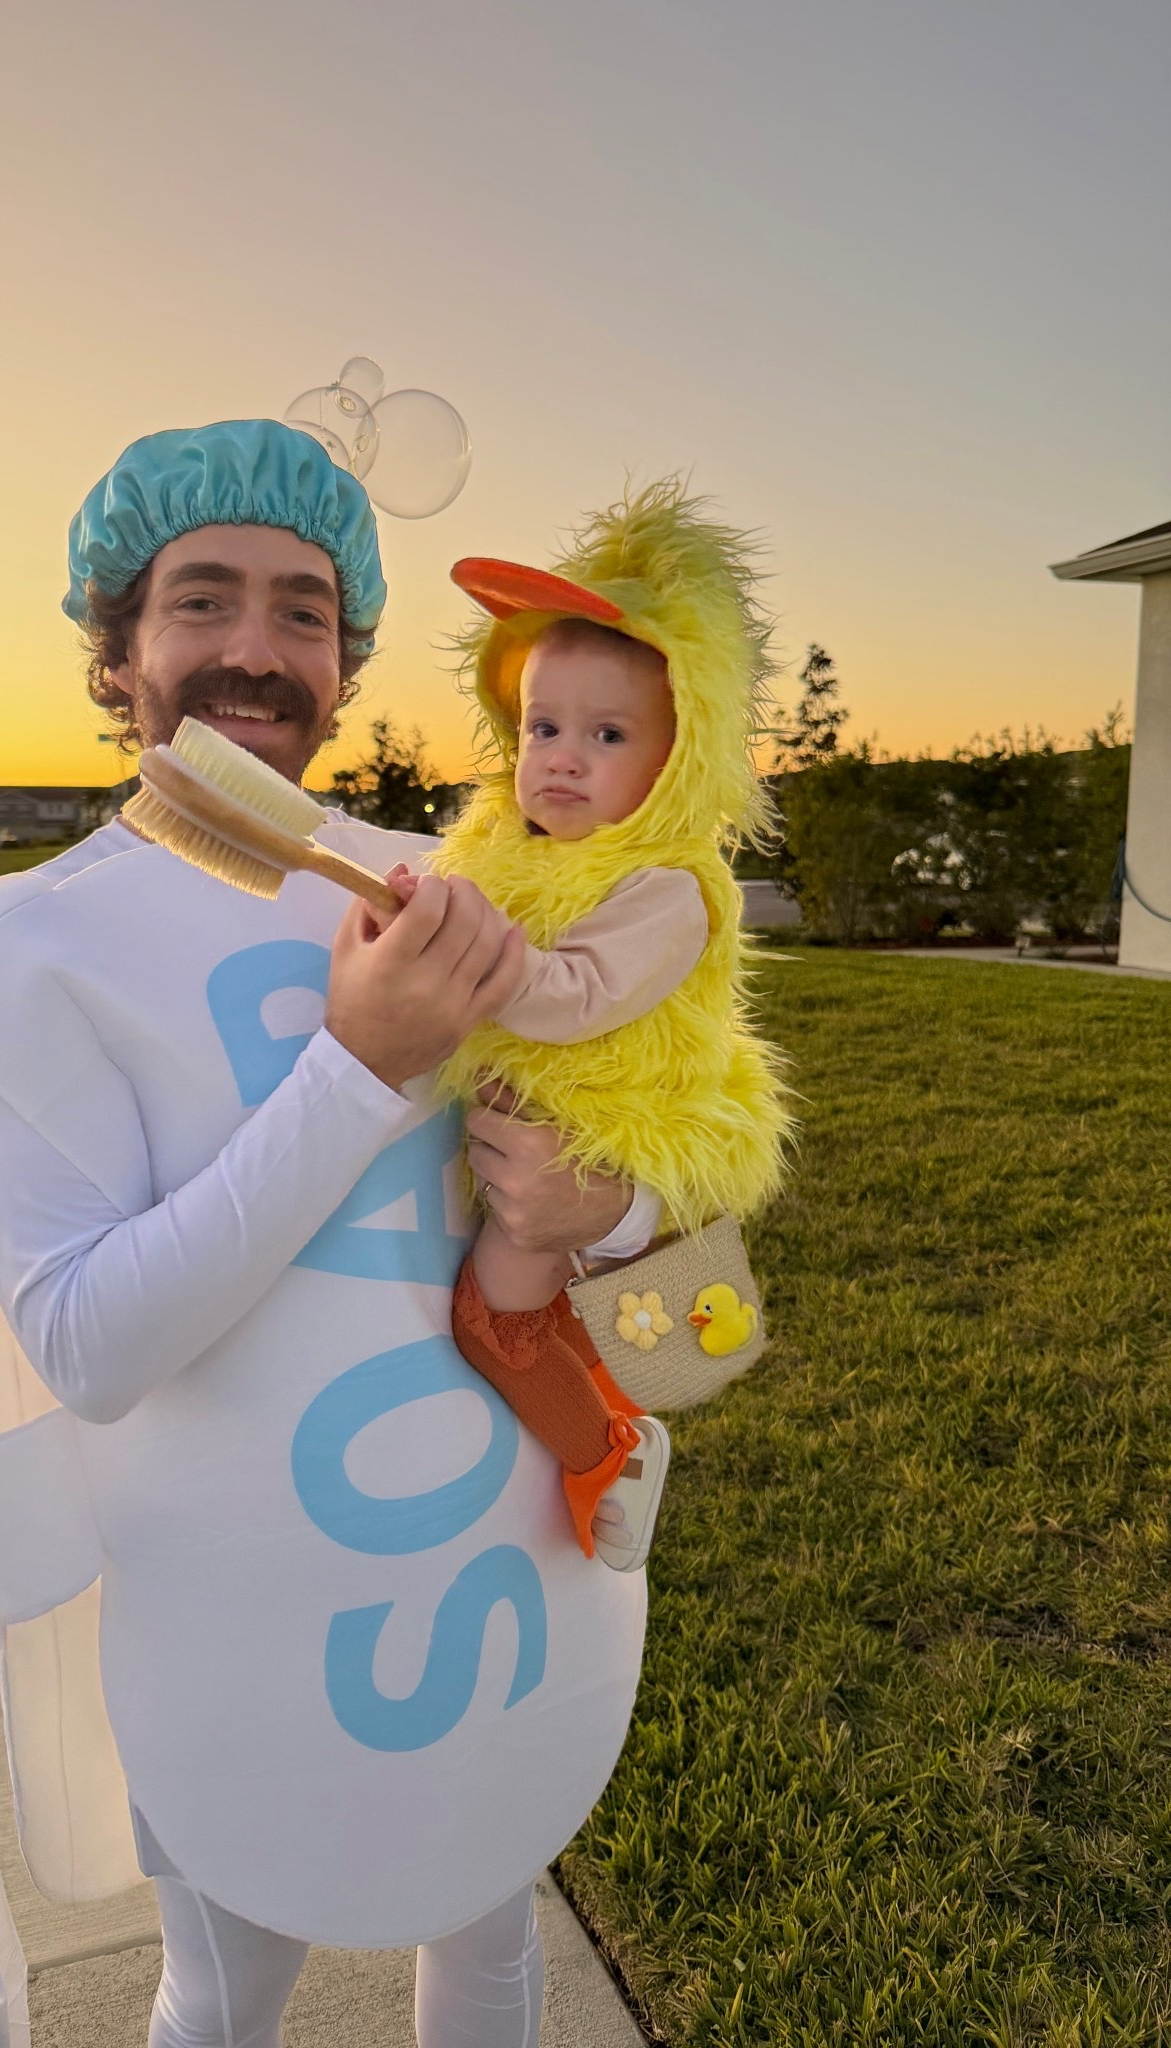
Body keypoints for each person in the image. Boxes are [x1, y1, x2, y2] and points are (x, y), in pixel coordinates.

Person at [0, 420, 667, 2048]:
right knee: (227, 1990)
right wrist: (357, 1068)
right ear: (120, 648)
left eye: (302, 608)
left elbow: (630, 1174)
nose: (254, 647)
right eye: (202, 599)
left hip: (489, 1571)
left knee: (489, 1934)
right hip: (239, 1612)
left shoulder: (447, 883)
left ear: (348, 656)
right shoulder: (35, 953)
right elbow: (87, 1341)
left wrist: (606, 1207)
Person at [408, 487, 793, 1569]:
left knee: (497, 1322)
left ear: (677, 759)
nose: (562, 757)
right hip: (538, 1132)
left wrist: (469, 951)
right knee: (572, 1321)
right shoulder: (506, 852)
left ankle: (607, 1454)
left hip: (596, 1137)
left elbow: (575, 993)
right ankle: (603, 1403)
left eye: (607, 733)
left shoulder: (666, 884)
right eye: (542, 726)